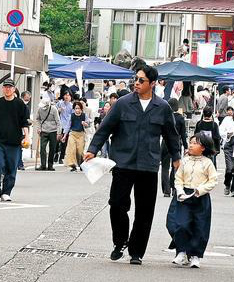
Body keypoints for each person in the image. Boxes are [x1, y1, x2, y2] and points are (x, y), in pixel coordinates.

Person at [84, 64, 181, 265]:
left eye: (141, 80)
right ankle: (120, 242)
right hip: (123, 163)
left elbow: (171, 136)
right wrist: (93, 149)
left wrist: (176, 158)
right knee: (117, 204)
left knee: (145, 210)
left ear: (153, 84)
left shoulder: (162, 107)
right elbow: (105, 128)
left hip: (148, 165)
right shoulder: (122, 103)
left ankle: (136, 251)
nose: (136, 83)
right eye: (135, 79)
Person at [171, 133, 218, 268]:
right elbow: (178, 177)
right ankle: (181, 251)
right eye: (190, 142)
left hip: (200, 197)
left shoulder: (208, 163)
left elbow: (213, 180)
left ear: (203, 147)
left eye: (194, 143)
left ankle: (196, 255)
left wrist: (200, 190)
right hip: (184, 195)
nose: (190, 145)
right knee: (181, 224)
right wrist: (179, 190)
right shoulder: (184, 160)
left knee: (200, 226)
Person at [0, 79, 30, 202]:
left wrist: (26, 136)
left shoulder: (20, 104)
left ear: (14, 89)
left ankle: (6, 192)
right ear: (2, 89)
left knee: (11, 168)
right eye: (5, 87)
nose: (7, 89)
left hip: (15, 142)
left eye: (10, 87)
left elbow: (24, 122)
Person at [161, 98, 188, 197]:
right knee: (175, 166)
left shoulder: (164, 116)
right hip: (176, 143)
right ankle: (173, 188)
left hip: (164, 143)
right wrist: (186, 147)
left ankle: (166, 190)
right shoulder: (180, 118)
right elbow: (183, 134)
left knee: (164, 167)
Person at [35, 97, 61, 171]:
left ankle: (50, 165)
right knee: (42, 148)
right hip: (43, 131)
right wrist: (39, 128)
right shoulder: (40, 109)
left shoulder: (54, 109)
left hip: (53, 131)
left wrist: (58, 133)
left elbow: (58, 122)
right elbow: (38, 119)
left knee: (52, 149)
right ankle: (43, 165)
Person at [63, 101, 89, 172]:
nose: (77, 110)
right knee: (71, 149)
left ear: (81, 109)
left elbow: (88, 124)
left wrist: (85, 124)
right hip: (73, 134)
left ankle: (81, 164)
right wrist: (65, 135)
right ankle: (72, 165)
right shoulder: (71, 116)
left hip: (81, 134)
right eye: (76, 108)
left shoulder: (84, 115)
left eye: (78, 108)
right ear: (74, 109)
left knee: (80, 151)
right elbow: (68, 126)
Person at [56, 91, 73, 164]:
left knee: (64, 143)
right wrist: (58, 110)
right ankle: (56, 154)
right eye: (65, 95)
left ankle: (61, 157)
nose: (66, 97)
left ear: (70, 97)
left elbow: (72, 116)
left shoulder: (72, 106)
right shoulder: (59, 103)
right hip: (59, 125)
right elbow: (54, 110)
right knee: (56, 141)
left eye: (68, 95)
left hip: (67, 125)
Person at [18, 91, 33, 171]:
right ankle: (19, 164)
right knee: (19, 147)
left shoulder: (25, 106)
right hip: (21, 129)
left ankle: (19, 163)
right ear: (23, 96)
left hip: (23, 129)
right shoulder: (23, 106)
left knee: (19, 147)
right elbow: (25, 119)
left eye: (29, 97)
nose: (29, 98)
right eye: (28, 97)